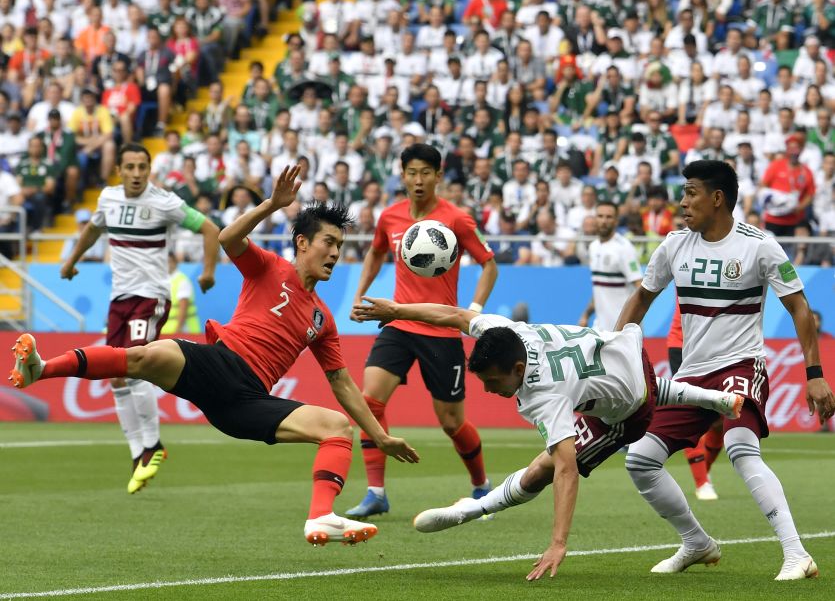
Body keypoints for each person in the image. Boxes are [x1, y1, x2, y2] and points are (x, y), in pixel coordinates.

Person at [11, 165, 419, 545]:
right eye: (329, 242)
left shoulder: (322, 319)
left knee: (336, 426)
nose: (335, 252)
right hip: (219, 363)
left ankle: (319, 516)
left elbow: (341, 383)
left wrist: (379, 436)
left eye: (340, 245)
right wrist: (273, 205)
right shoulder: (269, 266)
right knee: (146, 356)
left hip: (246, 403)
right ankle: (42, 368)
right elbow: (227, 239)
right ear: (302, 242)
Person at [349, 296, 743, 580]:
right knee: (638, 389)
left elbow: (566, 471)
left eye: (493, 382)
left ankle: (472, 510)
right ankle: (712, 399)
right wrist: (397, 311)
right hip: (625, 350)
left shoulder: (544, 394)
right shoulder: (508, 332)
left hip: (626, 414)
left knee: (542, 468)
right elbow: (454, 315)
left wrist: (558, 542)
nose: (488, 391)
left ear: (518, 368)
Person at [615, 160, 834, 580]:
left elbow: (799, 307)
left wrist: (814, 373)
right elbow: (641, 298)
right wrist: (615, 346)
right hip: (691, 374)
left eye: (691, 192)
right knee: (641, 459)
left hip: (741, 363)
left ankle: (796, 553)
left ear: (717, 198)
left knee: (739, 447)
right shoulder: (674, 245)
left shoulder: (759, 245)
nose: (683, 203)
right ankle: (696, 542)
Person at [345, 144, 498, 518]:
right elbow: (376, 252)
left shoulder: (457, 220)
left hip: (442, 329)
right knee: (370, 402)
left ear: (438, 176)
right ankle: (376, 493)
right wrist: (361, 293)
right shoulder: (390, 217)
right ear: (402, 174)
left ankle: (481, 487)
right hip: (397, 324)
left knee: (451, 422)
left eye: (425, 173)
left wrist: (473, 312)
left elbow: (489, 264)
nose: (418, 180)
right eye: (411, 172)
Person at [58, 143, 220, 495]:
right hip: (119, 298)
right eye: (129, 167)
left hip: (151, 296)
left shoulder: (165, 202)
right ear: (119, 170)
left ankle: (153, 444)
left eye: (142, 167)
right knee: (115, 376)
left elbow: (209, 228)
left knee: (134, 363)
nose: (135, 174)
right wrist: (72, 261)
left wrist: (208, 271)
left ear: (150, 170)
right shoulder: (108, 199)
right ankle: (137, 455)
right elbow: (93, 231)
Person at [668, 300, 724, 501]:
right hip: (683, 345)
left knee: (722, 418)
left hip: (719, 348)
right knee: (692, 412)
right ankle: (702, 482)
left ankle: (702, 471)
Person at [578, 201, 643, 331]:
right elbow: (599, 289)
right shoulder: (593, 247)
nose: (604, 221)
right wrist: (586, 314)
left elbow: (640, 289)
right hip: (600, 328)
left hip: (622, 330)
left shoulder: (624, 248)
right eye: (600, 216)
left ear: (616, 221)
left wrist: (630, 323)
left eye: (609, 217)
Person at [161, 253, 201, 335]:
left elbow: (183, 308)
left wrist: (178, 330)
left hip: (184, 330)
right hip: (167, 330)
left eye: (169, 262)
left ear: (175, 262)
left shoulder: (182, 281)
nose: (167, 265)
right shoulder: (166, 281)